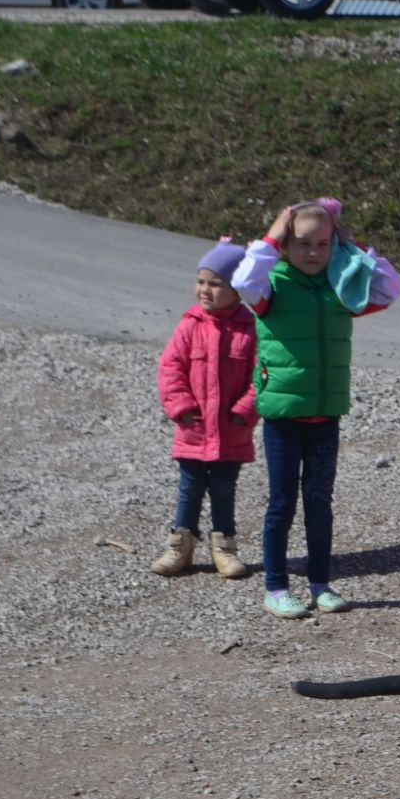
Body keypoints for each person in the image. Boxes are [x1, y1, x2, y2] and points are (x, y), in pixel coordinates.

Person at [231, 199, 400, 619]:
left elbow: (389, 288)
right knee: (282, 503)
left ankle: (320, 584)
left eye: (323, 243)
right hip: (284, 416)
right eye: (303, 243)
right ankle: (275, 587)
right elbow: (241, 279)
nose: (314, 253)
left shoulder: (342, 283)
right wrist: (272, 234)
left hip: (326, 414)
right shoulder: (269, 285)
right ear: (286, 245)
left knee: (319, 501)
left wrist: (351, 245)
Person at [153, 238, 258, 580]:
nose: (205, 290)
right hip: (193, 429)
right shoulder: (190, 324)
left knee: (224, 489)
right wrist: (181, 406)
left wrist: (246, 410)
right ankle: (179, 545)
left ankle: (224, 548)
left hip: (231, 430)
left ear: (237, 288)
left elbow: (263, 373)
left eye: (216, 283)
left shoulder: (250, 329)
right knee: (190, 487)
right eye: (201, 281)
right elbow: (170, 367)